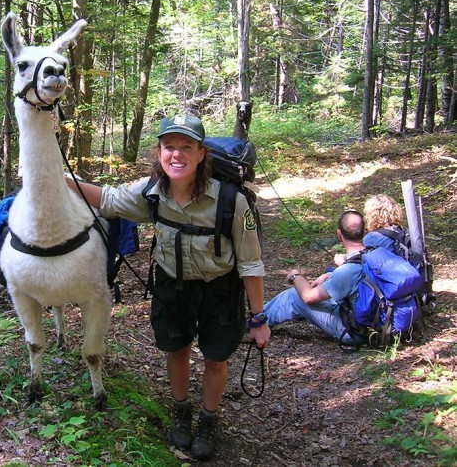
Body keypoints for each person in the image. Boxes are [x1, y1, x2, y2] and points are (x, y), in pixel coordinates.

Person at [67, 114, 269, 461]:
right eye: (169, 147)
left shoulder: (231, 202)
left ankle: (208, 419)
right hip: (171, 288)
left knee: (216, 359)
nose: (177, 155)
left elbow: (251, 264)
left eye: (186, 147)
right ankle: (181, 410)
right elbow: (110, 200)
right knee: (176, 349)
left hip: (220, 291)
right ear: (158, 152)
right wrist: (60, 179)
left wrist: (259, 317)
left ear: (201, 153)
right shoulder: (151, 192)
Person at [264, 210, 366, 345]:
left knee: (295, 295)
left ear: (339, 234)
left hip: (356, 331)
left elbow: (308, 296)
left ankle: (256, 321)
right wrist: (330, 275)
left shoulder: (348, 271)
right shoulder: (376, 253)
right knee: (329, 272)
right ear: (364, 232)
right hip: (379, 323)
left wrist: (295, 275)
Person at [332, 194, 404, 266]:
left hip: (383, 275)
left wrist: (343, 263)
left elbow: (361, 268)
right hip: (403, 271)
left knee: (329, 271)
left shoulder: (373, 238)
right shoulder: (402, 230)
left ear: (371, 215)